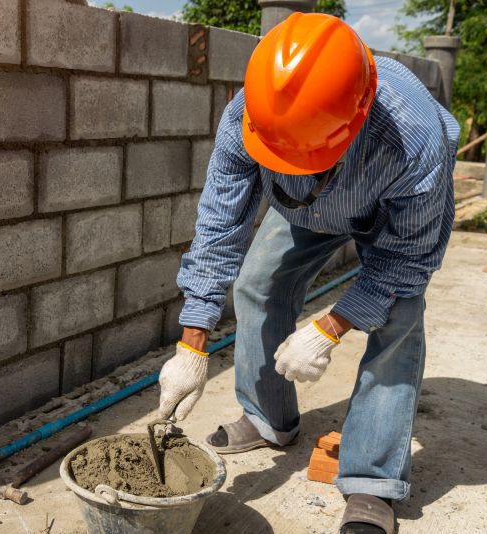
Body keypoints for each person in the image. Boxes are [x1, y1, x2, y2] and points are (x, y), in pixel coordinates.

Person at [157, 12, 459, 534]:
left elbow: (406, 260)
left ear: (355, 118)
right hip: (304, 205)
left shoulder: (413, 138)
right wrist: (192, 341)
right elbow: (220, 223)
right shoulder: (251, 112)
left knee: (398, 318)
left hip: (390, 214)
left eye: (304, 151)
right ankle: (268, 418)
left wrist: (330, 328)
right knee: (259, 284)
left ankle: (372, 482)